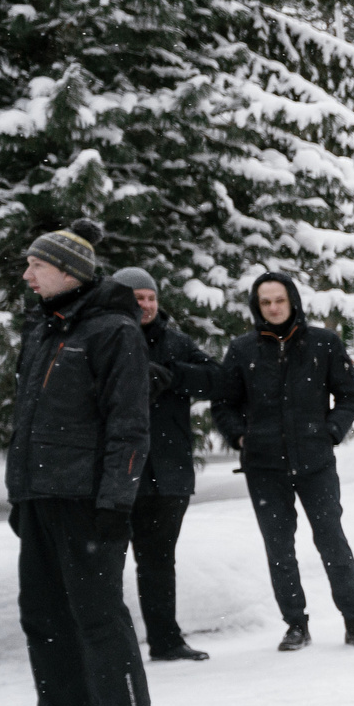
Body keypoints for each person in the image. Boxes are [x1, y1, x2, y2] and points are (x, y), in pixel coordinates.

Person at [7, 221, 155, 706]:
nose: (27, 276)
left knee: (97, 611)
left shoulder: (113, 332)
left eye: (36, 266)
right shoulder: (47, 328)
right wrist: (22, 495)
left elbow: (129, 426)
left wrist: (116, 501)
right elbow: (29, 420)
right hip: (42, 495)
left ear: (68, 272)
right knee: (41, 611)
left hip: (89, 500)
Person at [212, 272, 354, 651]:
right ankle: (295, 624)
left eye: (279, 300)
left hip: (315, 463)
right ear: (257, 307)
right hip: (264, 467)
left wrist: (330, 431)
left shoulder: (323, 343)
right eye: (265, 302)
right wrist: (241, 435)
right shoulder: (243, 350)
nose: (273, 308)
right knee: (279, 548)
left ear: (292, 301)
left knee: (332, 542)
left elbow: (349, 396)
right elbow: (223, 403)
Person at [112, 267, 220, 662]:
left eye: (150, 298)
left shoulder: (174, 341)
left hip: (169, 472)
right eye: (136, 298)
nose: (145, 305)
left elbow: (217, 378)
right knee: (105, 561)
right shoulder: (106, 338)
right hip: (119, 471)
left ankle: (166, 641)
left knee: (158, 561)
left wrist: (172, 377)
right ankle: (109, 649)